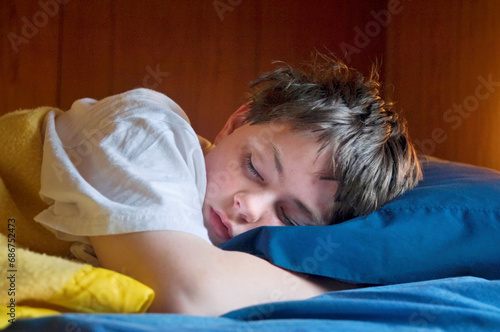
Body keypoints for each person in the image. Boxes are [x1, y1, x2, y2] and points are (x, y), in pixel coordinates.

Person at [35, 53, 421, 315]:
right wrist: (337, 293)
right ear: (236, 124)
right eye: (253, 167)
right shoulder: (144, 129)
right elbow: (189, 293)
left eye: (289, 217)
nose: (249, 207)